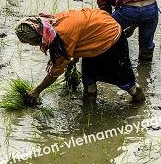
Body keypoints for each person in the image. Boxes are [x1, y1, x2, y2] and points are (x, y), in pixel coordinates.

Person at [15, 8, 145, 103]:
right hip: (96, 35)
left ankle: (141, 110)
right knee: (89, 80)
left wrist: (37, 90)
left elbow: (55, 72)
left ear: (37, 37)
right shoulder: (54, 22)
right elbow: (81, 34)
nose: (31, 45)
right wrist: (74, 57)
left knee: (126, 82)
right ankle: (89, 113)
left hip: (111, 40)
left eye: (29, 42)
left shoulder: (60, 38)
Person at [95, 0, 159, 61]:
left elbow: (105, 12)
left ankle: (106, 61)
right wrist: (133, 26)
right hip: (151, 8)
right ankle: (145, 70)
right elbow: (140, 3)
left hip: (129, 10)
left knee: (105, 33)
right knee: (146, 46)